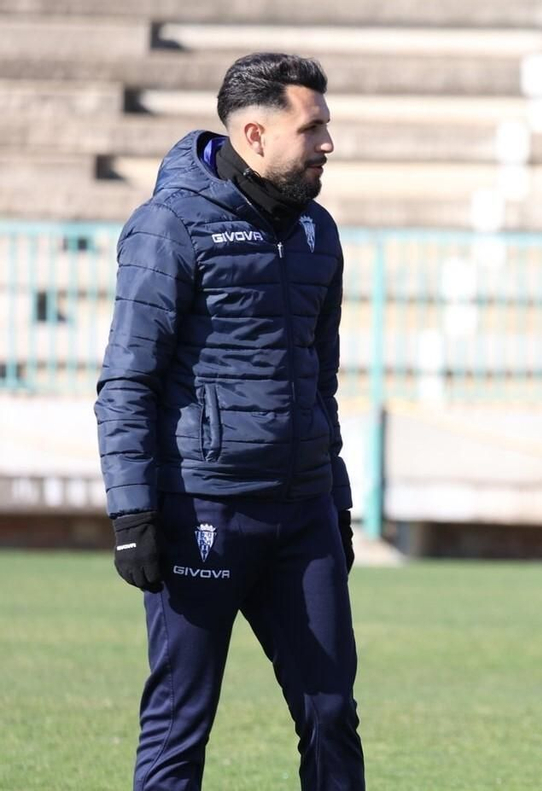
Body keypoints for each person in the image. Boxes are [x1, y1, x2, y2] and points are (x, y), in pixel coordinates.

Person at [94, 52, 362, 790]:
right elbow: (127, 381)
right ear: (255, 134)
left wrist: (335, 503)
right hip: (201, 511)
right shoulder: (168, 226)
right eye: (312, 129)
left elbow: (321, 385)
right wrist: (132, 514)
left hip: (303, 513)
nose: (328, 143)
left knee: (332, 713)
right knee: (181, 721)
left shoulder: (318, 233)